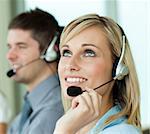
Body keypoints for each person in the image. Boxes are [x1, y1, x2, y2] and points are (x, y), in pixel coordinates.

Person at [53, 14, 142, 134]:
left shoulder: (122, 132)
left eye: (89, 53)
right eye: (67, 52)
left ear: (118, 68)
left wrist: (63, 130)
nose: (70, 64)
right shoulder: (75, 127)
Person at [6, 8, 64, 134]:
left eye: (21, 46)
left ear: (50, 52)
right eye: (9, 47)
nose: (9, 56)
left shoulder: (54, 110)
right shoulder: (25, 113)